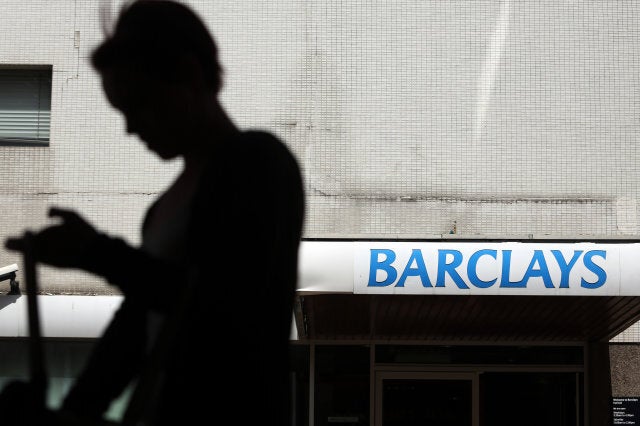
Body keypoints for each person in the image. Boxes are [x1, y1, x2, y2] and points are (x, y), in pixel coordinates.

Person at [2, 0, 305, 425]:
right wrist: (72, 411)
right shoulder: (162, 208)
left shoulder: (258, 163)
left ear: (189, 74)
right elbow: (137, 325)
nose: (131, 128)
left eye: (139, 104)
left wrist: (98, 253)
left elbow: (224, 307)